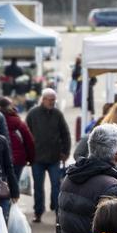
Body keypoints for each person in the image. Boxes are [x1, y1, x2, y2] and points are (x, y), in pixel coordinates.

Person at [25, 88, 72, 224]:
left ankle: (58, 213)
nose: (53, 102)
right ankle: (38, 212)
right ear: (43, 99)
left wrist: (66, 152)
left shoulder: (57, 114)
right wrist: (28, 154)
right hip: (37, 158)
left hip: (54, 157)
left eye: (54, 100)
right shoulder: (33, 114)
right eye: (50, 100)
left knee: (56, 186)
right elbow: (26, 135)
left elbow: (65, 134)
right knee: (38, 187)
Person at [0, 96, 35, 187]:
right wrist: (31, 159)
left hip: (0, 159)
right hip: (17, 159)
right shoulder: (18, 122)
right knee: (13, 185)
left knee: (1, 186)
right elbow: (29, 141)